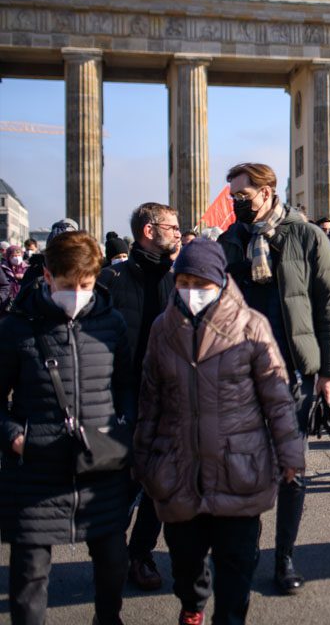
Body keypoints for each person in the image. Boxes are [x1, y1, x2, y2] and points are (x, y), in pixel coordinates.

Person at [135, 239, 304, 625]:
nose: (191, 291)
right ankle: (192, 605)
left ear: (219, 281)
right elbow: (150, 400)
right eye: (184, 282)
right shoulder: (163, 329)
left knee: (237, 567)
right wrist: (143, 460)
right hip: (180, 469)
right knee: (185, 563)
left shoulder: (251, 326)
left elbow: (277, 398)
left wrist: (290, 456)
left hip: (239, 468)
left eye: (201, 282)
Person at [217, 162, 330, 595]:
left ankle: (284, 556)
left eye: (243, 196)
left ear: (268, 192)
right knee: (247, 467)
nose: (236, 204)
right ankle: (248, 549)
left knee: (292, 467)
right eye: (232, 196)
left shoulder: (307, 236)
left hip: (293, 373)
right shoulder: (229, 240)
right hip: (241, 373)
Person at [0, 231, 135, 625]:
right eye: (67, 285)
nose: (76, 293)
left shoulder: (111, 323)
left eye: (86, 285)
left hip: (100, 462)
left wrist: (124, 428)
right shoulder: (14, 328)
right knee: (29, 577)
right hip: (35, 469)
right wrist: (15, 438)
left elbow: (126, 383)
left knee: (113, 563)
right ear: (47, 276)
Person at [97, 201, 181, 592]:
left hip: (167, 392)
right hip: (121, 394)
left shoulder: (179, 279)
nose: (179, 233)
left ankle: (140, 554)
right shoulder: (111, 279)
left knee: (159, 482)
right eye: (172, 226)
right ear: (149, 231)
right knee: (121, 482)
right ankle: (111, 555)